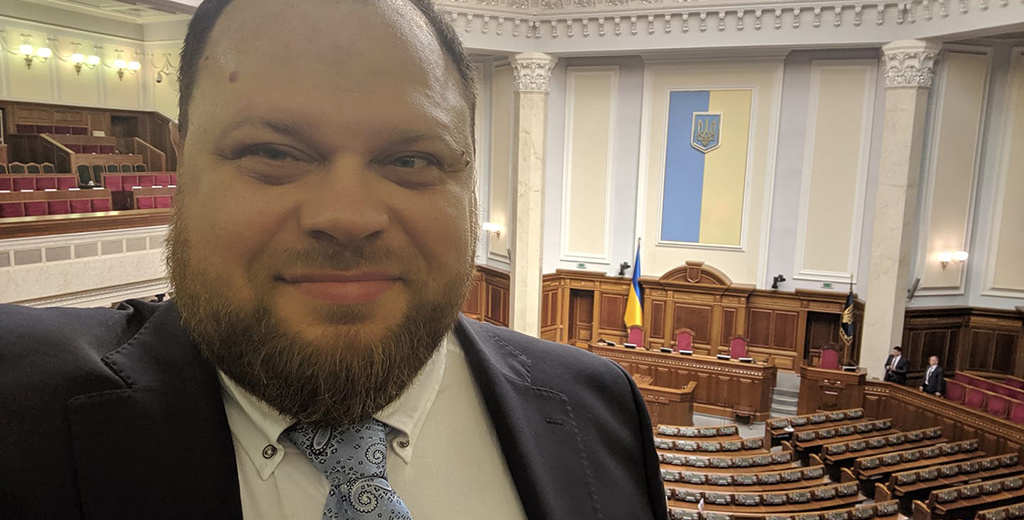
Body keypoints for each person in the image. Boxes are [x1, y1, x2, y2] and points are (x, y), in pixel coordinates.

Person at [0, 1, 667, 519]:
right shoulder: (18, 405)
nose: (347, 216)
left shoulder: (601, 409)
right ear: (180, 164)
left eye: (412, 159)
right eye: (273, 153)